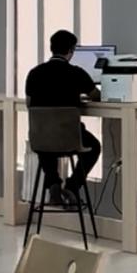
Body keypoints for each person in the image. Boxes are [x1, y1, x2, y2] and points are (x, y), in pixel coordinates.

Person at [24, 29, 101, 208]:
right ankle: (73, 186)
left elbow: (29, 103)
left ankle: (53, 184)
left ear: (51, 48)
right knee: (94, 147)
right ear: (71, 50)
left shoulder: (34, 73)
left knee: (46, 139)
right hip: (69, 137)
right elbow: (96, 95)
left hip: (41, 138)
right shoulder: (76, 73)